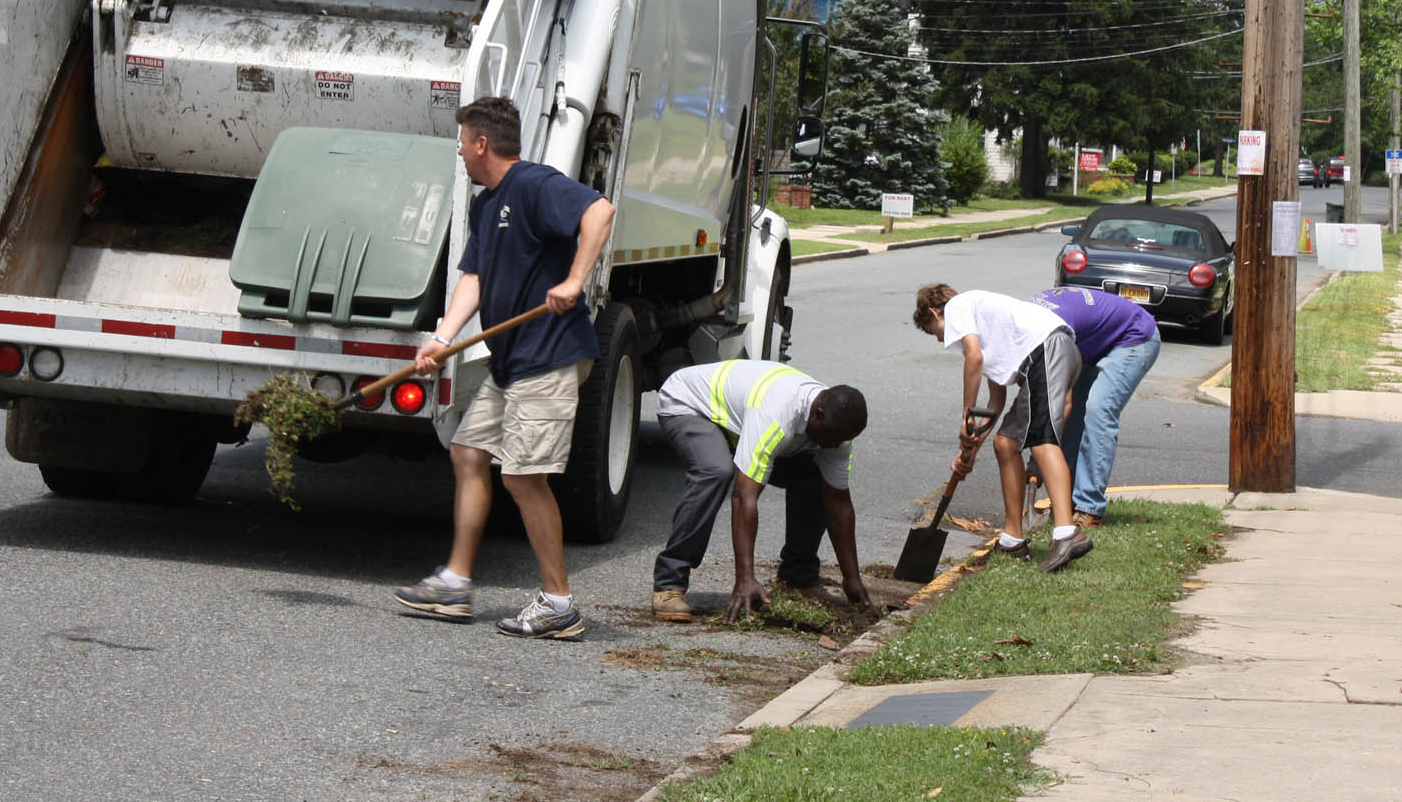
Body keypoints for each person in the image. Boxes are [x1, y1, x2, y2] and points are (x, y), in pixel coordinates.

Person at [393, 96, 616, 640]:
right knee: (468, 451)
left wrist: (574, 281)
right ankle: (455, 582)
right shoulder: (485, 204)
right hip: (512, 357)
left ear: (481, 144)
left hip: (551, 354)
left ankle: (559, 603)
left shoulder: (535, 185)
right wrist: (444, 338)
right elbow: (473, 277)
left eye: (463, 141)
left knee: (522, 475)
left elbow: (600, 211)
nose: (462, 152)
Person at [650, 360, 871, 623]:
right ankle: (668, 583)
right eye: (832, 437)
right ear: (818, 413)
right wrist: (745, 578)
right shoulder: (777, 416)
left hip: (739, 421)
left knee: (815, 475)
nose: (835, 445)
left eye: (841, 440)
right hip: (691, 404)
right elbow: (744, 498)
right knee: (715, 470)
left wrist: (852, 579)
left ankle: (798, 579)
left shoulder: (837, 430)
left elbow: (839, 505)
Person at [912, 283, 1090, 573]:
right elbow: (995, 401)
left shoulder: (958, 307)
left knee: (1042, 440)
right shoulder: (984, 326)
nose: (942, 339)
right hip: (1054, 353)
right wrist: (970, 448)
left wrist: (966, 417)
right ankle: (1012, 538)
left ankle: (1066, 532)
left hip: (1048, 350)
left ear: (934, 312)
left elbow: (974, 358)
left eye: (936, 332)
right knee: (1005, 442)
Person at [1031, 286, 1161, 528]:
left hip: (1132, 337)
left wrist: (1041, 445)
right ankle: (1065, 503)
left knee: (1098, 410)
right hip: (1091, 344)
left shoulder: (1049, 331)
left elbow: (1062, 402)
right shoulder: (1030, 320)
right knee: (1072, 422)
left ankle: (1089, 508)